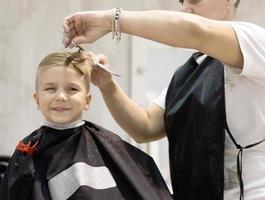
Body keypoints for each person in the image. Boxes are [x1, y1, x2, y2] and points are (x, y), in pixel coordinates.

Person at [62, 0, 265, 199]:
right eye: (182, 1)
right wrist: (107, 85)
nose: (185, 7)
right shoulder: (188, 75)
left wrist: (109, 19)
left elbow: (195, 31)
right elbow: (145, 126)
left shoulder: (257, 41)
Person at [0, 48, 172, 200]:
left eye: (72, 89)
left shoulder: (107, 146)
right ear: (37, 99)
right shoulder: (26, 151)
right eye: (50, 88)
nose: (60, 96)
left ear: (87, 100)